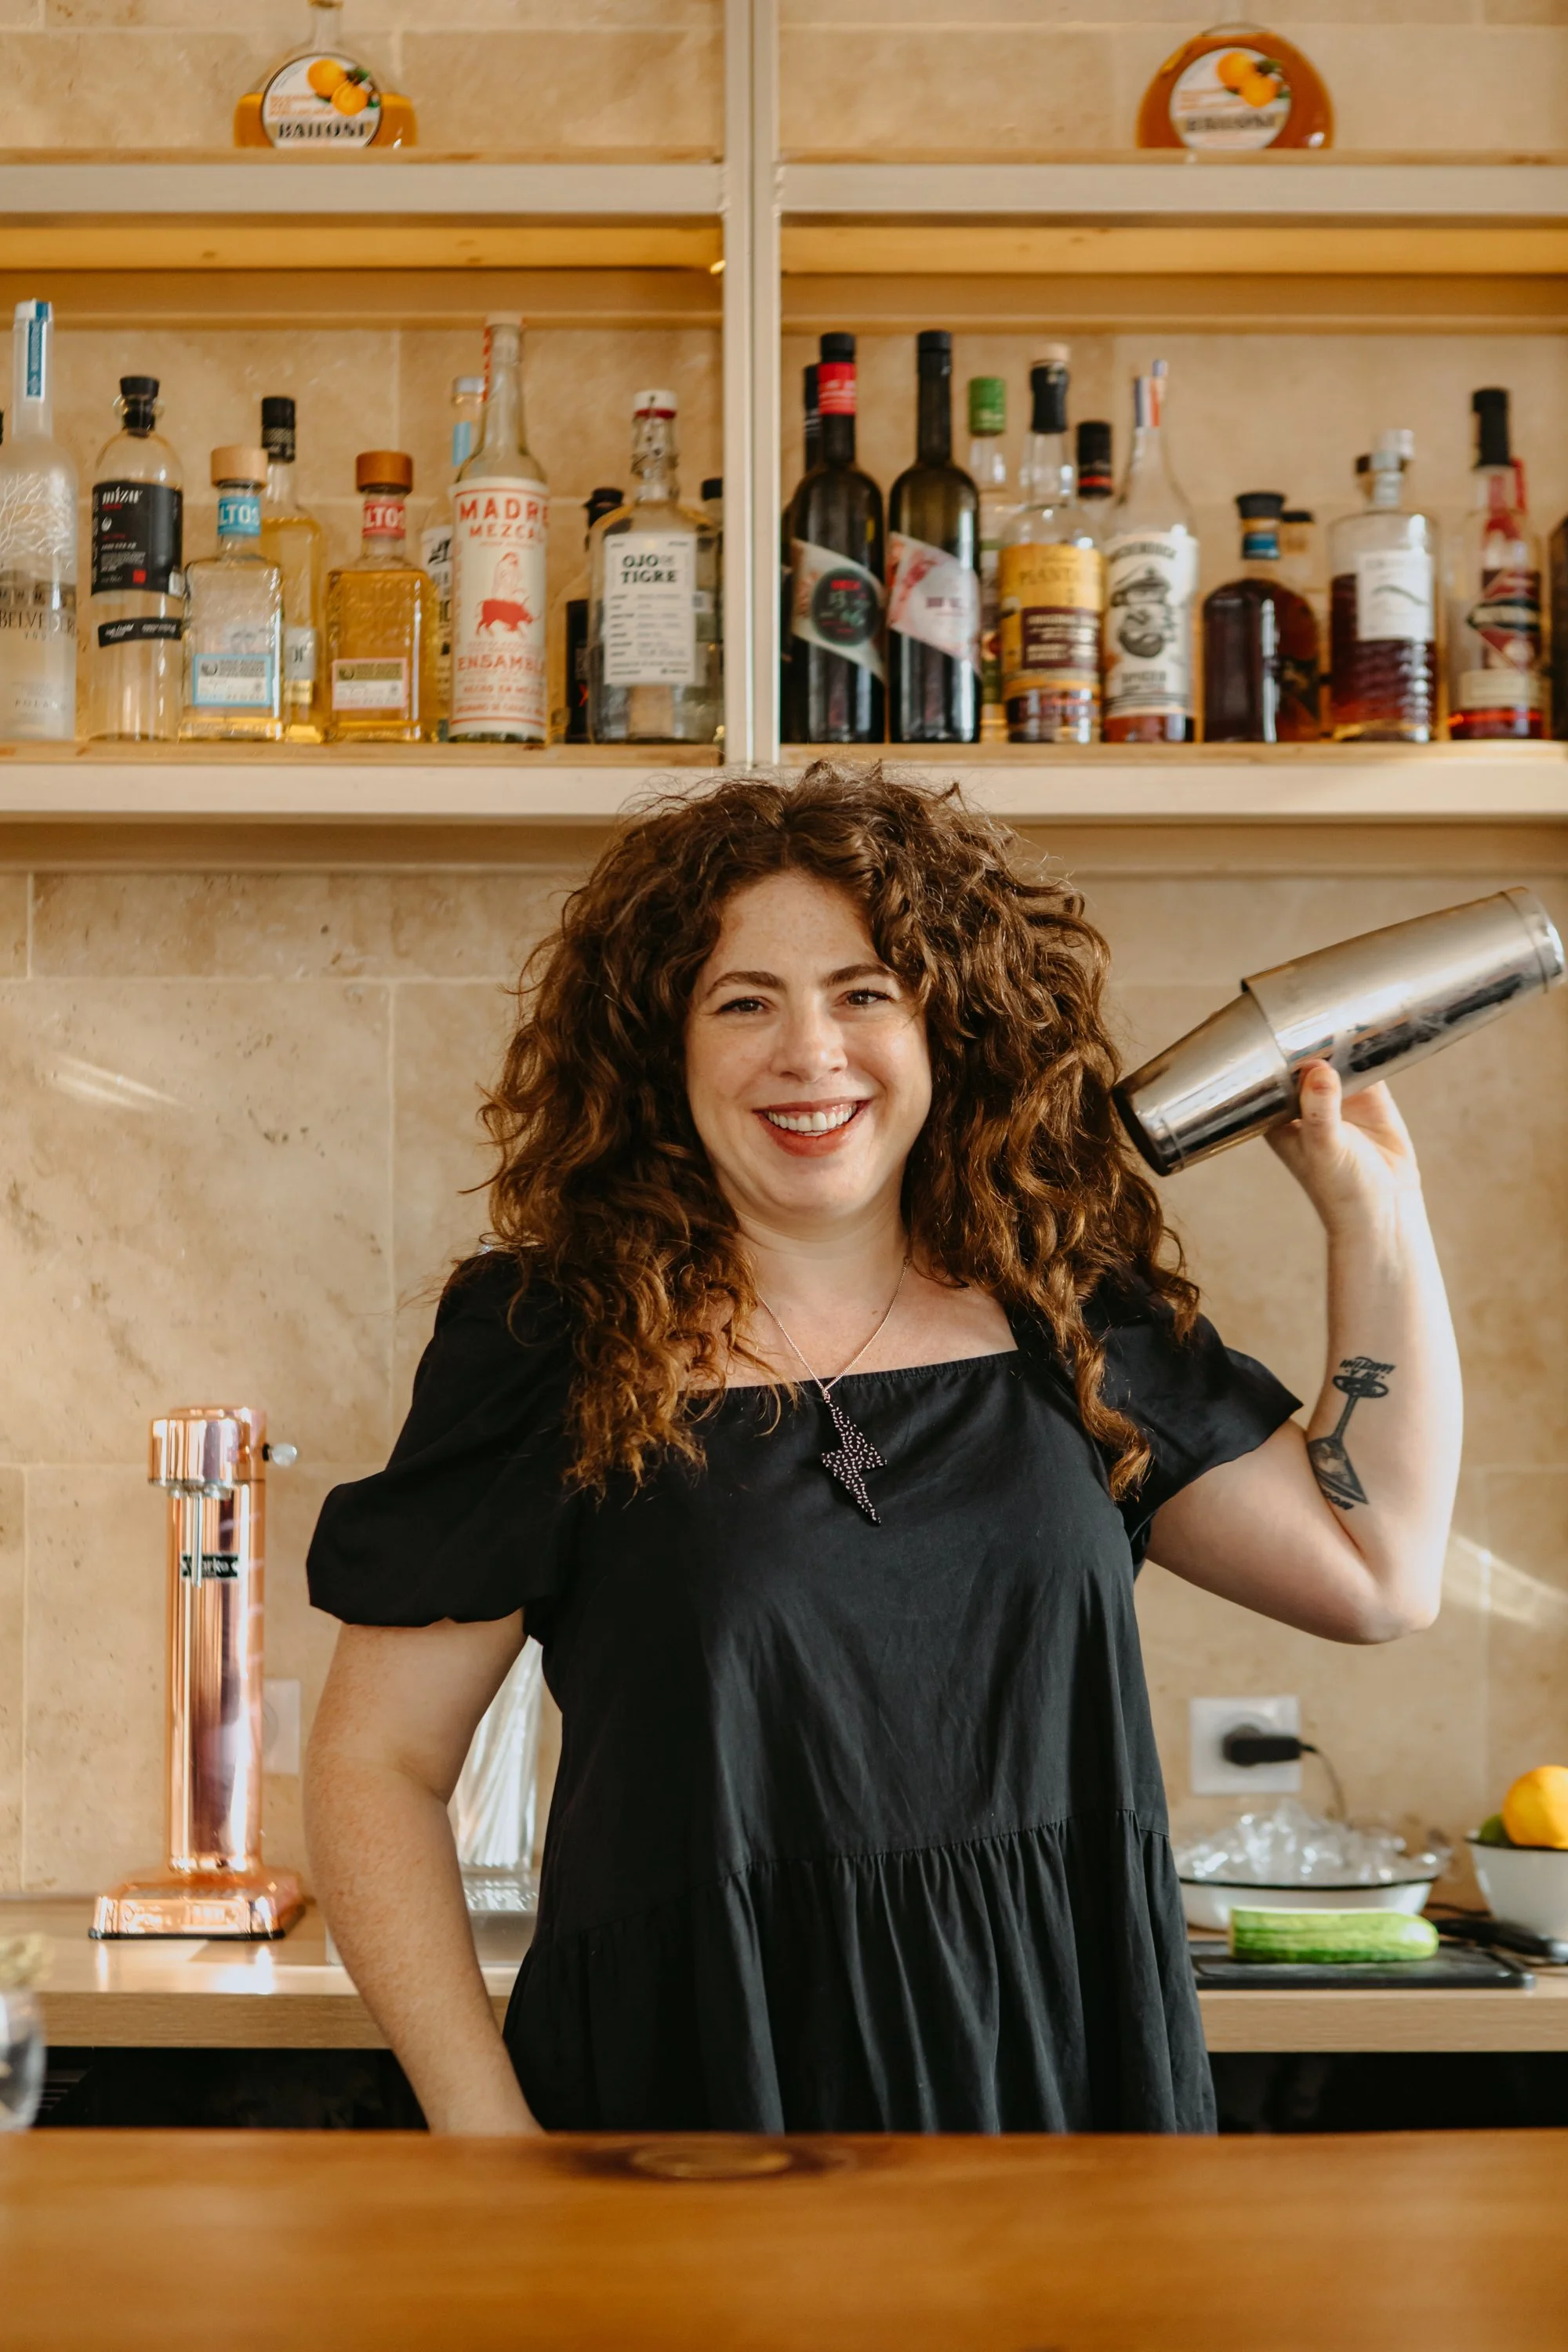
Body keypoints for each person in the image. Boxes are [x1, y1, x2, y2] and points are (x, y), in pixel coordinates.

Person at [304, 764, 1461, 2136]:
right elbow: (375, 1767)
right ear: (660, 1047)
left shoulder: (1069, 1317)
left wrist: (1375, 1224)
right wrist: (484, 2139)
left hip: (1058, 2071)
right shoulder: (554, 1343)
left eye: (866, 993)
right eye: (744, 1002)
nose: (812, 1054)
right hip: (694, 2093)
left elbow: (1376, 1569)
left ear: (946, 1028)